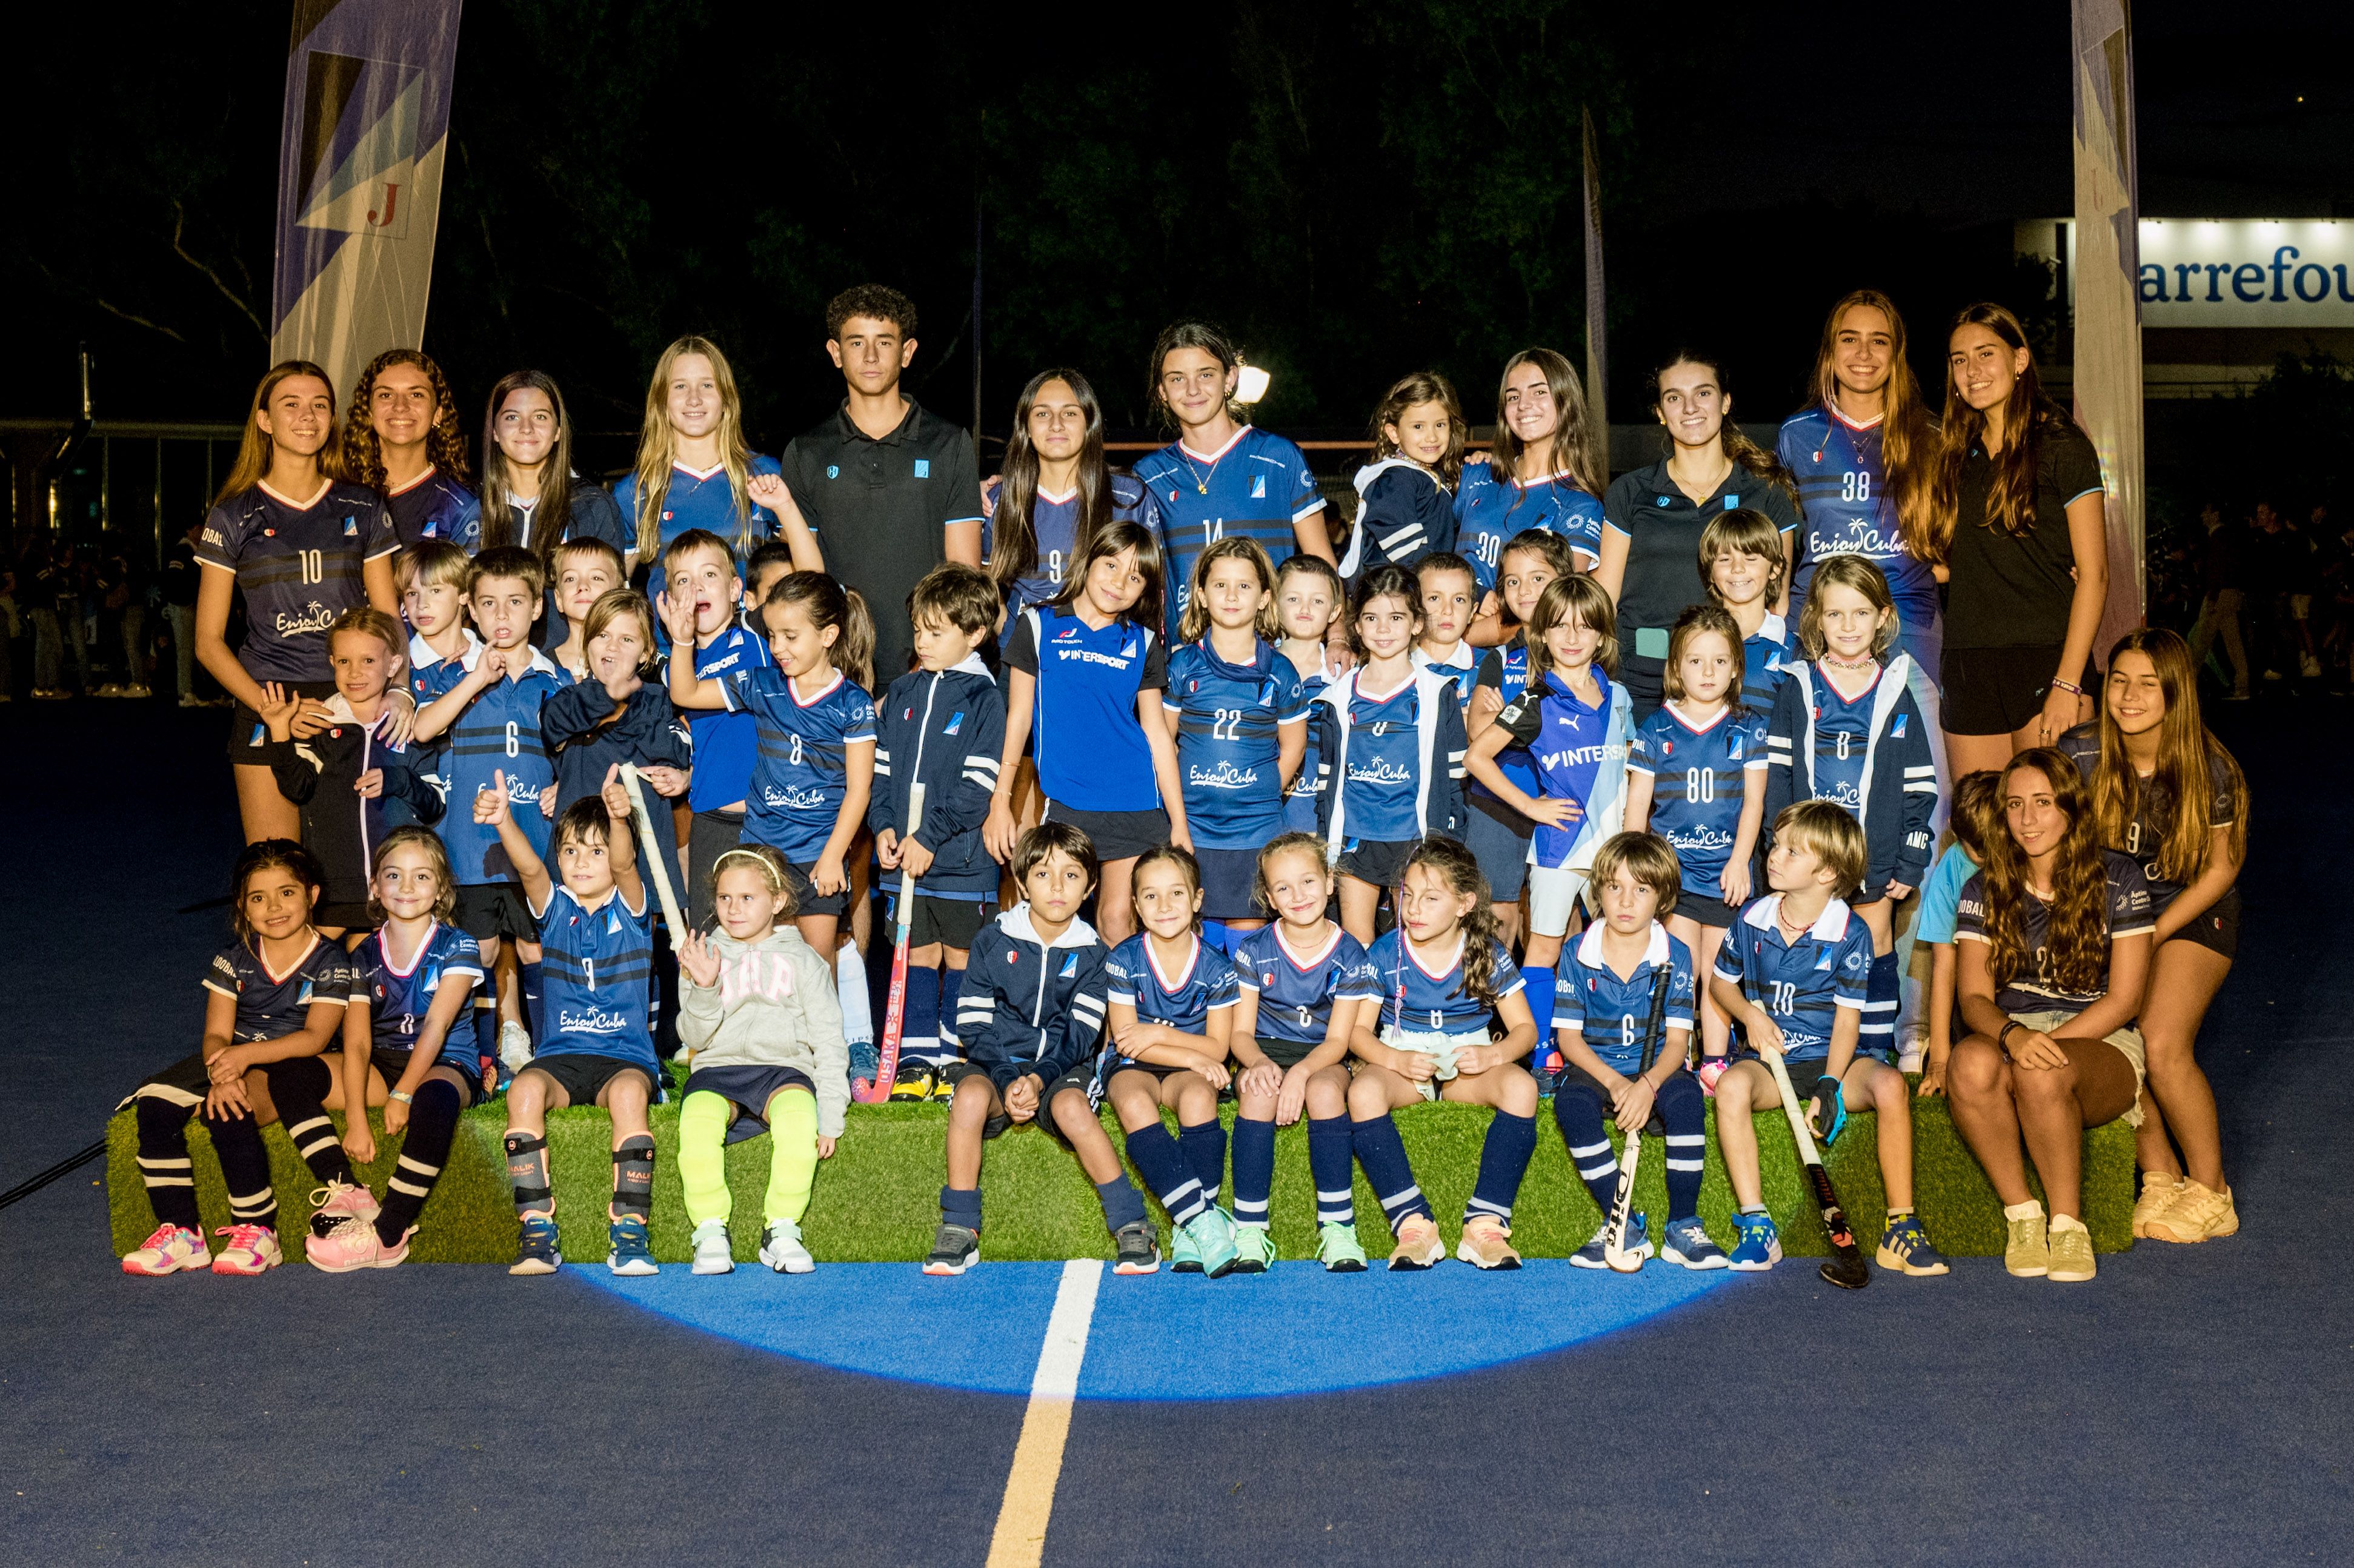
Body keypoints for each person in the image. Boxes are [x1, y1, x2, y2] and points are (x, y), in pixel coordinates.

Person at [2058, 628, 2247, 1244]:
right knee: (2106, 1031)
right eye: (2119, 680)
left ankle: (2213, 1190)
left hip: (2189, 913)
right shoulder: (2080, 754)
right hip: (2113, 917)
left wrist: (2153, 933)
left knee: (2162, 1040)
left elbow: (2222, 867)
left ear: (2176, 691)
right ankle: (2161, 1172)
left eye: (2148, 683)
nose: (2130, 695)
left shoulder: (2210, 766)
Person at [1945, 749, 2154, 1283]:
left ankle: (2067, 1227)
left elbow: (2126, 1000)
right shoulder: (1984, 885)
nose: (2027, 819)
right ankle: (2022, 1216)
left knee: (2043, 1072)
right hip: (2012, 1031)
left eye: (2042, 803)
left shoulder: (2118, 875)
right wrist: (2014, 1037)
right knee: (1968, 1066)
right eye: (2015, 805)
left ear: (2069, 807)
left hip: (2099, 1037)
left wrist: (2048, 1045)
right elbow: (1972, 998)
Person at [119, 841, 361, 1277]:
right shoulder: (232, 960)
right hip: (232, 1055)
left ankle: (258, 1230)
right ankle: (183, 1233)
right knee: (155, 1107)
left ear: (313, 895)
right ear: (242, 907)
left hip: (285, 1062)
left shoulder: (330, 961)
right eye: (258, 897)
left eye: (287, 893)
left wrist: (243, 1061)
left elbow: (314, 1037)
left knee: (229, 1110)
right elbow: (215, 1033)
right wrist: (222, 1070)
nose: (274, 907)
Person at [925, 822, 1155, 1277]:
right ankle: (959, 1227)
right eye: (1044, 874)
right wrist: (1010, 1079)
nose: (1056, 887)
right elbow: (971, 1024)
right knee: (970, 1097)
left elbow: (1080, 1035)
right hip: (996, 1067)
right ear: (1021, 881)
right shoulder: (992, 940)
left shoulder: (1094, 955)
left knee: (1072, 1107)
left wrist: (1036, 1079)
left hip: (1059, 1069)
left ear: (1090, 887)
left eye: (1071, 876)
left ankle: (1132, 1223)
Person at [195, 362, 401, 843]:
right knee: (277, 868)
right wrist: (276, 712)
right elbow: (207, 642)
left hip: (351, 701)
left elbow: (389, 620)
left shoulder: (363, 506)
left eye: (320, 406)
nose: (307, 416)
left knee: (355, 878)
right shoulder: (233, 514)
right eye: (291, 405)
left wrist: (398, 691)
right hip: (266, 704)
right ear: (264, 420)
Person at [482, 766, 663, 1277]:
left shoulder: (632, 910)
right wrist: (504, 823)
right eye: (570, 851)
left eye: (595, 850)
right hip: (561, 1058)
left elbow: (627, 865)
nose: (581, 862)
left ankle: (630, 1231)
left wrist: (619, 817)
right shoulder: (555, 908)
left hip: (623, 1059)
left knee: (629, 1097)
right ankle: (537, 1229)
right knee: (522, 1092)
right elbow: (530, 872)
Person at [1709, 803, 1895, 1272]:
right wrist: (1749, 1014)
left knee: (1890, 1085)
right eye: (1776, 846)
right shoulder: (1752, 918)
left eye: (1792, 852)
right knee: (1730, 1087)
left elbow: (1847, 1023)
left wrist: (1831, 1084)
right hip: (1772, 1064)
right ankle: (1756, 1222)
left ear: (1827, 871)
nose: (1774, 857)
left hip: (1831, 1059)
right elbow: (1718, 984)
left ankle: (1901, 1226)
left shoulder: (1851, 934)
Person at [1922, 303, 2106, 774]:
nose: (1971, 371)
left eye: (1985, 354)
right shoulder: (1957, 454)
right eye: (1959, 359)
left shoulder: (2063, 444)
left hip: (2046, 660)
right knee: (1980, 832)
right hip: (1968, 663)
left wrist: (2067, 683)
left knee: (2048, 831)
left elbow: (2094, 574)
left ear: (2019, 360)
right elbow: (1954, 564)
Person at [985, 522, 1185, 946]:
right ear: (1088, 560)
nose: (1119, 582)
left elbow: (1157, 736)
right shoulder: (1037, 626)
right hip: (1066, 804)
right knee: (1052, 922)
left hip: (1133, 802)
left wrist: (1179, 823)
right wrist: (1000, 800)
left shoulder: (1143, 643)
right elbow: (1018, 719)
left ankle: (1123, 1017)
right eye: (1111, 565)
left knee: (1115, 922)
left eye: (1135, 577)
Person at [1348, 837, 1542, 1270]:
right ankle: (1413, 1224)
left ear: (1464, 904)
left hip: (1466, 1060)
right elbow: (1357, 1036)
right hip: (1403, 1055)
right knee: (1362, 1094)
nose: (1413, 909)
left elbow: (1526, 1031)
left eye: (1430, 899)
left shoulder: (1487, 951)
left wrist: (1493, 1057)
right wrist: (1394, 1060)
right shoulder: (1385, 951)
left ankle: (1484, 1225)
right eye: (1407, 896)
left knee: (1521, 1087)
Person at [664, 571, 876, 960]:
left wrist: (833, 856)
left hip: (817, 854)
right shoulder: (761, 683)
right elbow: (685, 692)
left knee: (815, 965)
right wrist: (681, 640)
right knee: (762, 966)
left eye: (790, 637)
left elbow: (859, 790)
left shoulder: (853, 702)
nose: (777, 647)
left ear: (828, 636)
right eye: (772, 635)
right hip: (762, 852)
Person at [304, 827, 488, 1271]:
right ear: (375, 886)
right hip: (384, 1061)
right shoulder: (363, 953)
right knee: (294, 1076)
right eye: (393, 875)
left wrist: (403, 1093)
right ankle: (347, 1189)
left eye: (422, 877)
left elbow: (438, 1026)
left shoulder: (458, 945)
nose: (407, 888)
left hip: (445, 1061)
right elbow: (358, 1042)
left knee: (434, 1098)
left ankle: (388, 1234)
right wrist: (354, 1121)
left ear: (442, 889)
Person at [779, 286, 983, 684]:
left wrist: (929, 664)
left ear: (906, 352)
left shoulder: (948, 443)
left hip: (927, 668)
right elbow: (805, 582)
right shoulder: (806, 452)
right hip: (835, 673)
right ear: (836, 353)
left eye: (884, 342)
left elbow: (963, 574)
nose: (870, 356)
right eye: (856, 342)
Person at [1463, 575, 1632, 1056]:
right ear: (1542, 636)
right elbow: (1477, 757)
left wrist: (1634, 837)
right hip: (1560, 847)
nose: (1573, 638)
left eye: (1584, 627)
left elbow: (1631, 770)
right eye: (1559, 627)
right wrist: (1531, 806)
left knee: (1614, 946)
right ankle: (1540, 1052)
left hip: (1614, 850)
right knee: (1545, 948)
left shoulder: (1619, 698)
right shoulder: (1531, 701)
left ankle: (1604, 1045)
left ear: (1602, 635)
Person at [413, 546, 566, 1072]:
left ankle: (549, 1052)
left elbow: (576, 755)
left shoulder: (554, 682)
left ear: (538, 607)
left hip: (534, 848)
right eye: (489, 604)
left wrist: (560, 788)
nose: (502, 617)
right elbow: (424, 729)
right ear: (471, 612)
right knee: (476, 953)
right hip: (470, 850)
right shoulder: (454, 675)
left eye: (515, 603)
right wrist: (476, 678)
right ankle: (481, 1058)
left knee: (534, 951)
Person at [1550, 832, 1726, 1270]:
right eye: (1614, 887)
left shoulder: (1677, 954)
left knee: (1686, 1102)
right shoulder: (1576, 951)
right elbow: (1569, 1040)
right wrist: (1615, 1083)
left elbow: (1677, 1043)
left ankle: (1682, 1225)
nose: (1625, 901)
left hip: (1657, 1068)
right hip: (1598, 1066)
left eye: (1641, 890)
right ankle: (1623, 1220)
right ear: (1599, 892)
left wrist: (1647, 1086)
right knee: (1570, 1104)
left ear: (1662, 897)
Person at [868, 564, 1009, 1096]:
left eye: (936, 632)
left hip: (960, 861)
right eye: (918, 630)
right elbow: (880, 774)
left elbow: (977, 788)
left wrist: (930, 837)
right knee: (916, 954)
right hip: (903, 862)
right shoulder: (902, 691)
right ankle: (915, 1061)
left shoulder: (984, 699)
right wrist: (883, 826)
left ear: (973, 635)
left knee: (961, 958)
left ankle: (956, 1059)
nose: (921, 642)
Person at [1597, 351, 1801, 719]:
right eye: (1674, 397)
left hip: (1731, 684)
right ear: (1660, 411)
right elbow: (1605, 599)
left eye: (1703, 393)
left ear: (1725, 402)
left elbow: (1778, 605)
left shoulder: (1767, 494)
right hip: (1643, 684)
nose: (1689, 407)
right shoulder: (1630, 491)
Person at [676, 843, 848, 1277]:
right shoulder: (703, 954)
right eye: (724, 898)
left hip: (782, 1068)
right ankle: (710, 1231)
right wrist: (703, 986)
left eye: (747, 898)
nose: (733, 909)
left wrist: (830, 1113)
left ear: (778, 902)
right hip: (718, 1066)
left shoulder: (804, 960)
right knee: (697, 1120)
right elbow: (693, 1036)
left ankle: (782, 1231)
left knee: (797, 1116)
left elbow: (828, 1039)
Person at [1131, 319, 1338, 645]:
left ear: (1230, 378)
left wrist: (1338, 637)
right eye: (1177, 379)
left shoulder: (1278, 457)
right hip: (1187, 666)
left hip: (1274, 656)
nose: (1193, 390)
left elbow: (1321, 561)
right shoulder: (1149, 476)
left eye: (1206, 374)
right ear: (1162, 392)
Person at [1229, 832, 1382, 1271]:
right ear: (1270, 898)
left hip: (1322, 1053)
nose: (1298, 896)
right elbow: (1240, 1034)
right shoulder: (1254, 949)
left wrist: (1299, 1074)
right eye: (1283, 888)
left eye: (1308, 882)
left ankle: (1338, 1228)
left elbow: (1338, 1041)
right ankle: (1250, 1229)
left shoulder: (1351, 953)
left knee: (1325, 1094)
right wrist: (1259, 1063)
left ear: (1330, 882)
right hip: (1265, 1049)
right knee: (1257, 1093)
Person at [1623, 606, 1767, 1062]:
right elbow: (1636, 809)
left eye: (1720, 661)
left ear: (1736, 668)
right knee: (1678, 970)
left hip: (1725, 874)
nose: (1708, 672)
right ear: (1674, 667)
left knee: (1715, 973)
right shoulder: (1655, 729)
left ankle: (1713, 1061)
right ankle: (1675, 1056)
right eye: (1695, 660)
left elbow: (1753, 804)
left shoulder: (1748, 728)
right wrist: (1634, 871)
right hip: (1674, 876)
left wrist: (1740, 860)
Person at [1099, 846, 1248, 1277]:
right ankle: (1201, 1221)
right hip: (1139, 1065)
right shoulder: (1124, 959)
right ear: (1134, 905)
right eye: (1150, 896)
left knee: (1200, 1098)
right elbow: (1127, 1044)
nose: (1164, 906)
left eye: (1176, 894)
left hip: (1184, 1067)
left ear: (1197, 899)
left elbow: (1218, 1049)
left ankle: (1185, 1233)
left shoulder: (1217, 968)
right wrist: (1188, 1051)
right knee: (1131, 1100)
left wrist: (1161, 1034)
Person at [255, 608, 443, 935]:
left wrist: (398, 780)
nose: (355, 672)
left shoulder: (409, 727)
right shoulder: (322, 724)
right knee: (312, 965)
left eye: (368, 661)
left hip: (396, 890)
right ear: (332, 663)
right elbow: (296, 788)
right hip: (334, 885)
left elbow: (434, 805)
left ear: (394, 665)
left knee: (380, 971)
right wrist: (280, 733)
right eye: (344, 662)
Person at [1311, 563, 1472, 945]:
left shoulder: (1437, 692)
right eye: (1372, 618)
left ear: (1417, 623)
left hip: (1415, 837)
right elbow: (1326, 781)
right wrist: (1326, 844)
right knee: (1357, 942)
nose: (1383, 629)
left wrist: (1446, 843)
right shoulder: (1337, 697)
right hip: (1355, 838)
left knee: (1414, 942)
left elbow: (1455, 781)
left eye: (1396, 617)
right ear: (1358, 626)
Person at [1163, 538, 1309, 950]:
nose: (1231, 596)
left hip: (1254, 831)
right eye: (1220, 585)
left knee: (1247, 948)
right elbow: (1164, 741)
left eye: (1244, 586)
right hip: (1193, 828)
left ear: (1265, 598)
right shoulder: (1182, 665)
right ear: (1200, 595)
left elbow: (1294, 746)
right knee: (1196, 943)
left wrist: (1260, 794)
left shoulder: (1280, 671)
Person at [619, 334, 822, 615]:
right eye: (680, 386)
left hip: (755, 650)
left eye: (707, 385)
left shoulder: (763, 474)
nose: (694, 398)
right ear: (661, 401)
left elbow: (811, 578)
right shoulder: (638, 490)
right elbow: (611, 593)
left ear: (726, 398)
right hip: (669, 651)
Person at [982, 368, 1158, 647]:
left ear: (1089, 423)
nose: (1056, 424)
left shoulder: (1127, 498)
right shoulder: (1002, 501)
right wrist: (1014, 638)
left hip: (1104, 660)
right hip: (1025, 668)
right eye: (1042, 413)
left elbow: (1151, 594)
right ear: (1026, 426)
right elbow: (982, 585)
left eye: (1070, 413)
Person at [1464, 530, 1577, 949]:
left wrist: (1505, 720)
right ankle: (1497, 1011)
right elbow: (1478, 732)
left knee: (1560, 917)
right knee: (1496, 914)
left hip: (1565, 800)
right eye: (1512, 581)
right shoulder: (1499, 656)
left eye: (1537, 578)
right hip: (1498, 800)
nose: (1523, 590)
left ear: (1563, 581)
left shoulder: (1580, 651)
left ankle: (1560, 1013)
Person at [1457, 348, 1608, 647]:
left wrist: (1451, 635)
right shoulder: (1477, 475)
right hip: (1438, 663)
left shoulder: (1581, 505)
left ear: (1566, 401)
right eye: (1513, 397)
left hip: (1511, 669)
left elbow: (1551, 611)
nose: (1524, 405)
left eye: (1539, 392)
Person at [539, 590, 691, 842]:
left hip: (644, 848)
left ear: (646, 653)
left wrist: (626, 712)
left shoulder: (659, 699)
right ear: (587, 643)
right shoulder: (567, 698)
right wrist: (608, 701)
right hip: (580, 851)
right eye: (602, 635)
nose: (613, 646)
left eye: (627, 640)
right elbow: (553, 723)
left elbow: (681, 750)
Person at [475, 369, 632, 562]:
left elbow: (608, 591)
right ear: (495, 432)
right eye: (512, 417)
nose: (526, 428)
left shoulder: (593, 506)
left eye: (540, 417)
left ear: (558, 430)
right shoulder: (470, 508)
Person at [1912, 769, 2002, 1101]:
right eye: (1979, 854)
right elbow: (1944, 967)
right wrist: (1939, 1058)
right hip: (1976, 998)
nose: (1990, 861)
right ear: (1951, 825)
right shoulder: (1951, 871)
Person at [344, 348, 479, 549]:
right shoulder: (339, 492)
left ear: (438, 414)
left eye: (416, 394)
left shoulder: (459, 508)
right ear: (369, 411)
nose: (400, 406)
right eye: (386, 395)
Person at [1337, 371, 1466, 579]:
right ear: (1394, 433)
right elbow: (1405, 549)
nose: (1432, 436)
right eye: (1418, 426)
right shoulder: (1395, 479)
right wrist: (1436, 581)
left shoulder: (1428, 476)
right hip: (1390, 592)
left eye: (1440, 424)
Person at [1274, 554, 1346, 836]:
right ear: (1273, 602)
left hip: (1320, 824)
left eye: (1317, 601)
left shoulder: (1343, 679)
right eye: (1293, 599)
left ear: (1334, 612)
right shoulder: (1257, 669)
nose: (1305, 609)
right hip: (1264, 823)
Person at [543, 539, 627, 683]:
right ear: (558, 599)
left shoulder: (629, 660)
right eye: (570, 579)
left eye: (596, 578)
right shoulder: (542, 668)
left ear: (619, 593)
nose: (582, 586)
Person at [160, 518, 208, 706]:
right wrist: (187, 601)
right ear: (189, 530)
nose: (203, 530)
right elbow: (175, 580)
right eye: (199, 527)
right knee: (186, 650)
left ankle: (194, 691)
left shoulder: (195, 551)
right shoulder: (182, 551)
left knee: (194, 649)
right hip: (184, 606)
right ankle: (185, 692)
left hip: (192, 605)